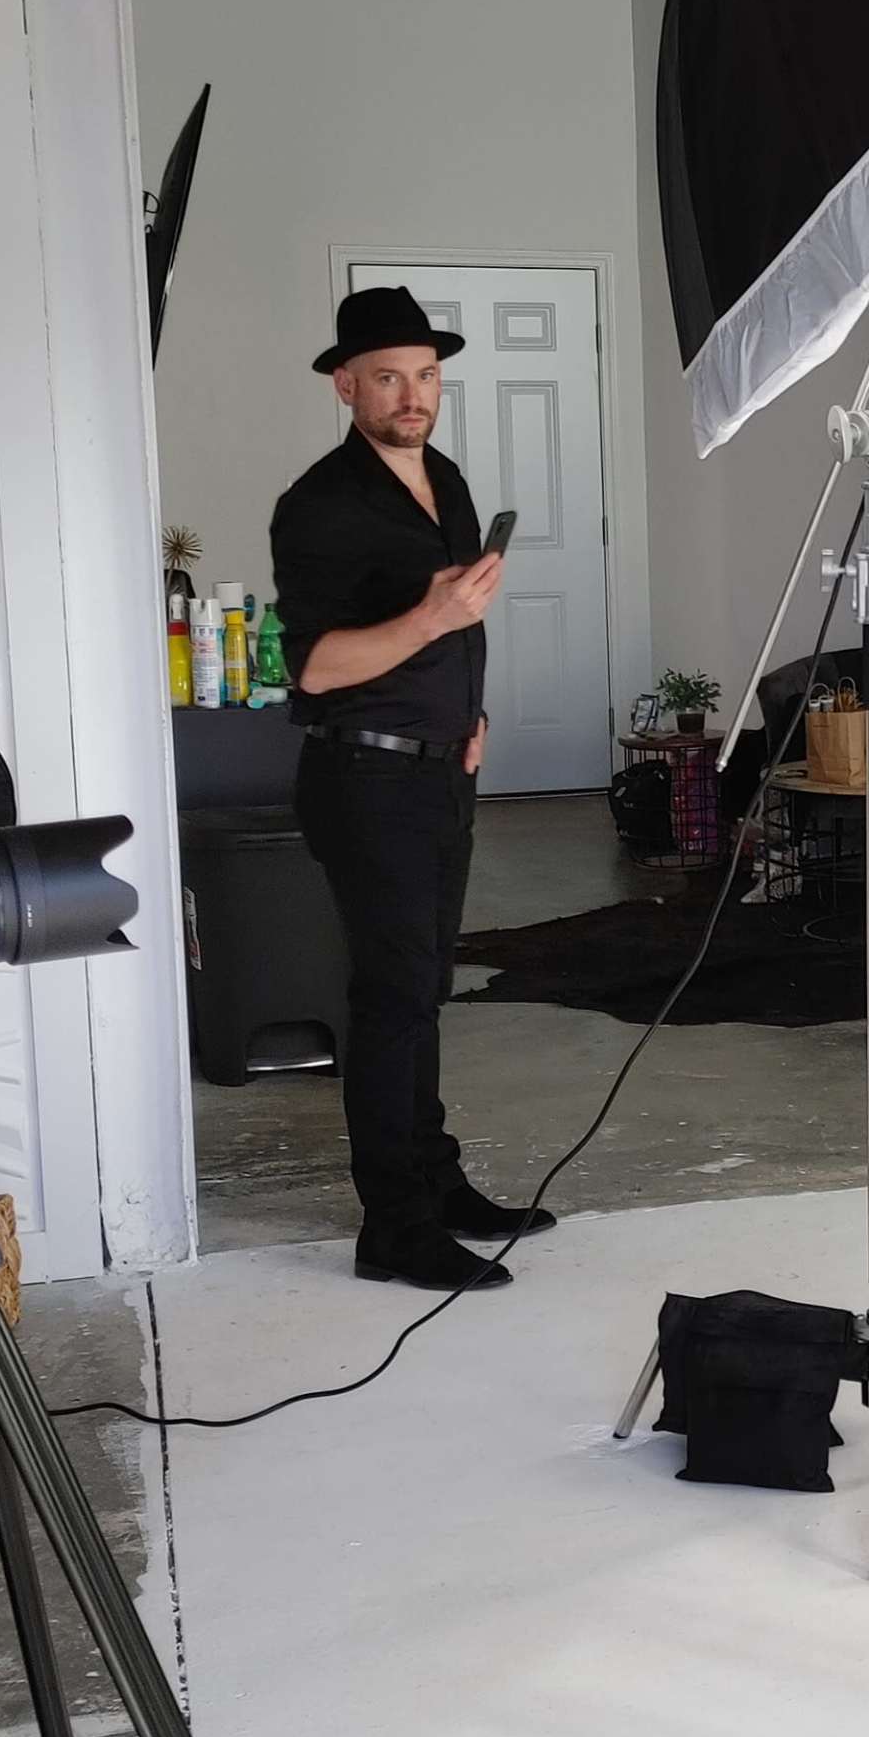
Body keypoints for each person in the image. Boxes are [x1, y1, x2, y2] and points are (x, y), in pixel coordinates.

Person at [271, 286, 547, 1292]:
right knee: (392, 999)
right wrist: (429, 623)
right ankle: (393, 1223)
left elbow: (459, 619)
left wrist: (468, 716)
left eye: (425, 374)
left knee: (424, 989)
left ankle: (434, 1177)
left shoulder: (448, 478)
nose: (411, 393)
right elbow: (316, 666)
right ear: (346, 385)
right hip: (364, 776)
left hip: (439, 770)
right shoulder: (317, 507)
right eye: (388, 375)